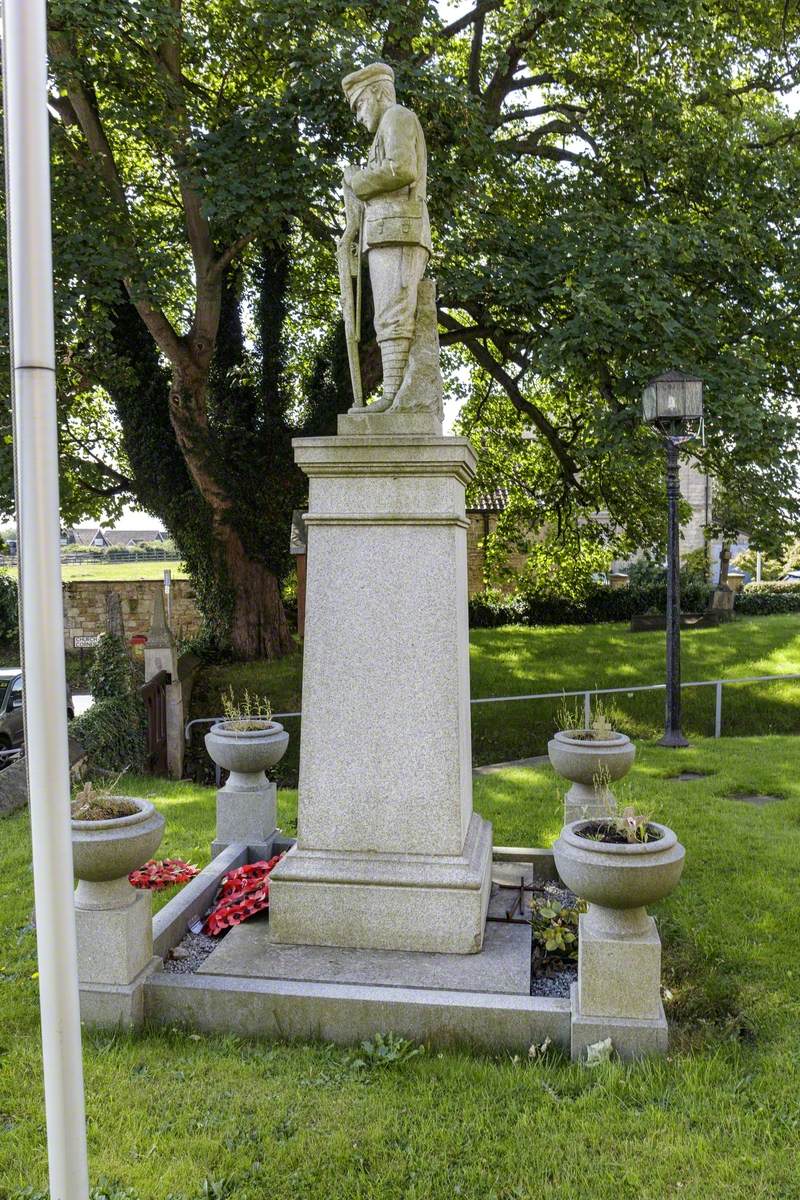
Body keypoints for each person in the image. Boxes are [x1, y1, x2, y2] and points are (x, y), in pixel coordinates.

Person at [341, 62, 432, 411]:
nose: (359, 116)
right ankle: (394, 392)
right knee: (387, 314)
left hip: (400, 231)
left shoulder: (397, 117)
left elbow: (401, 168)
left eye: (360, 104)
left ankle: (395, 394)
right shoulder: (387, 126)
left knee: (393, 313)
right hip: (388, 232)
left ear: (379, 93)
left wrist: (357, 179)